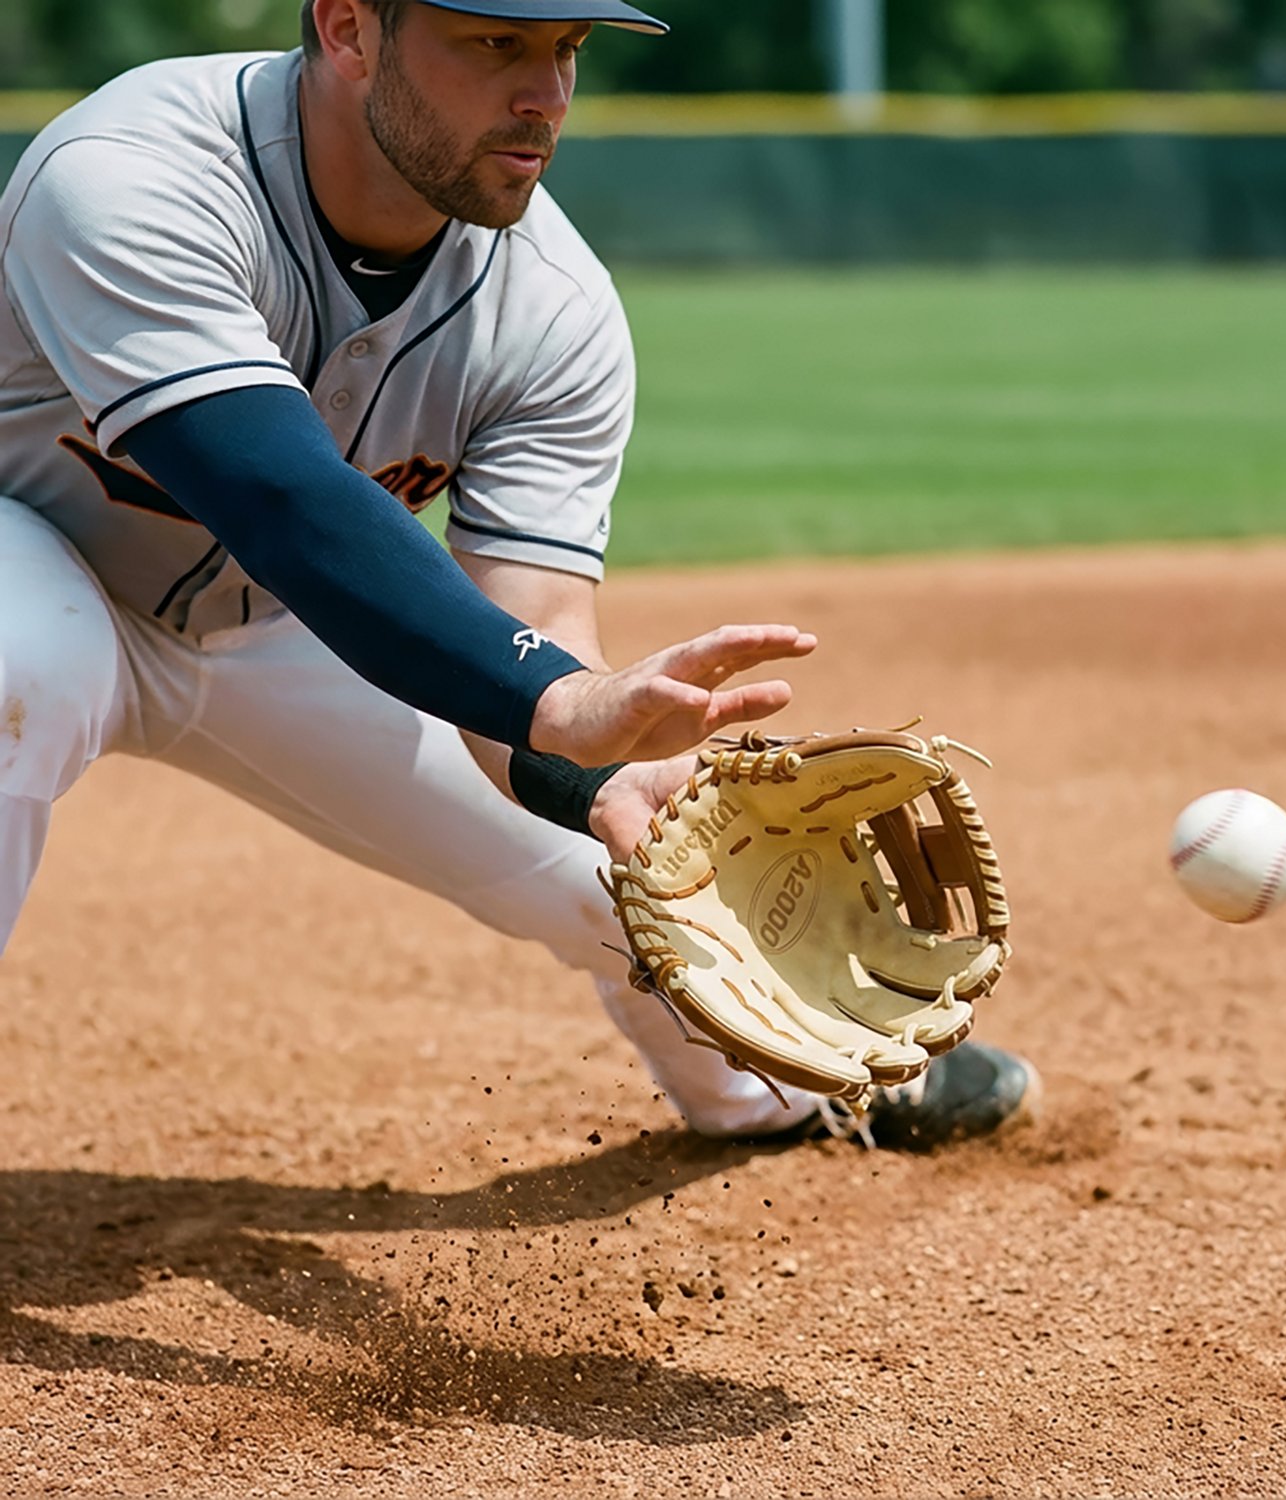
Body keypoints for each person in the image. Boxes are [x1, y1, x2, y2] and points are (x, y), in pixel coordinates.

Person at [0, 0, 1037, 1148]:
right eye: (496, 43)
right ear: (350, 29)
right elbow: (279, 496)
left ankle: (793, 1095)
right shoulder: (130, 172)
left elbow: (524, 633)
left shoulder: (553, 308)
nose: (544, 93)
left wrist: (595, 773)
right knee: (16, 665)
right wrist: (550, 697)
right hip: (30, 556)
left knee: (624, 865)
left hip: (286, 627)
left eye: (566, 50)